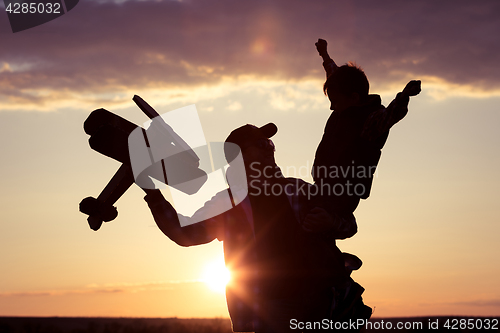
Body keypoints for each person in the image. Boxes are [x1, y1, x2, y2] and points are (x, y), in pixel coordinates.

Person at [141, 123, 360, 332]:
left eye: (270, 144)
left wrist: (332, 222)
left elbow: (349, 225)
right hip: (272, 305)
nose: (270, 149)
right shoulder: (229, 204)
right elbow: (185, 234)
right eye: (261, 144)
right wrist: (152, 193)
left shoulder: (299, 189)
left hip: (322, 300)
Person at [312, 38, 421, 226]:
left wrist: (404, 96)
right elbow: (333, 73)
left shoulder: (369, 120)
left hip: (343, 192)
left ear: (354, 98)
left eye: (335, 102)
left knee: (322, 222)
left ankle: (331, 228)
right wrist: (324, 54)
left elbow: (391, 116)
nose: (331, 107)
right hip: (323, 185)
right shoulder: (344, 106)